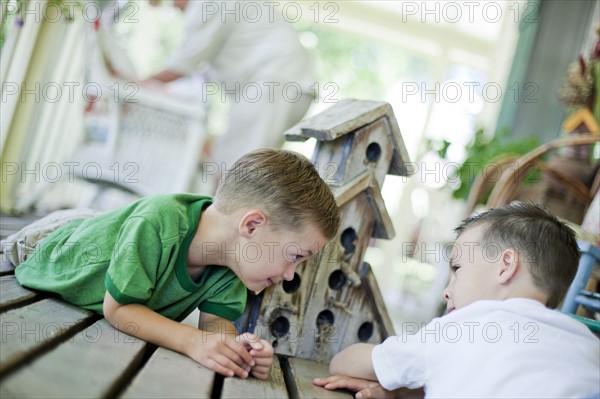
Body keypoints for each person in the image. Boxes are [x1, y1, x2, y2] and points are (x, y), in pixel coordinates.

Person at [4, 148, 340, 380]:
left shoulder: (233, 262)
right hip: (50, 243)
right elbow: (119, 310)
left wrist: (237, 350)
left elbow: (215, 326)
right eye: (295, 257)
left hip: (114, 237)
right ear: (251, 225)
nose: (290, 274)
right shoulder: (159, 221)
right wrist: (192, 342)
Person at [313, 203, 600, 398]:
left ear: (505, 266)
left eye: (457, 270)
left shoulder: (463, 326)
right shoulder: (587, 343)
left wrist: (394, 381)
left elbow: (343, 363)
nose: (446, 291)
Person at [143, 0, 316, 173]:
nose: (173, 6)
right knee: (237, 163)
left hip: (274, 83)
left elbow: (183, 64)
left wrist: (137, 86)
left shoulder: (204, 4)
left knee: (238, 170)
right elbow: (199, 71)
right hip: (285, 84)